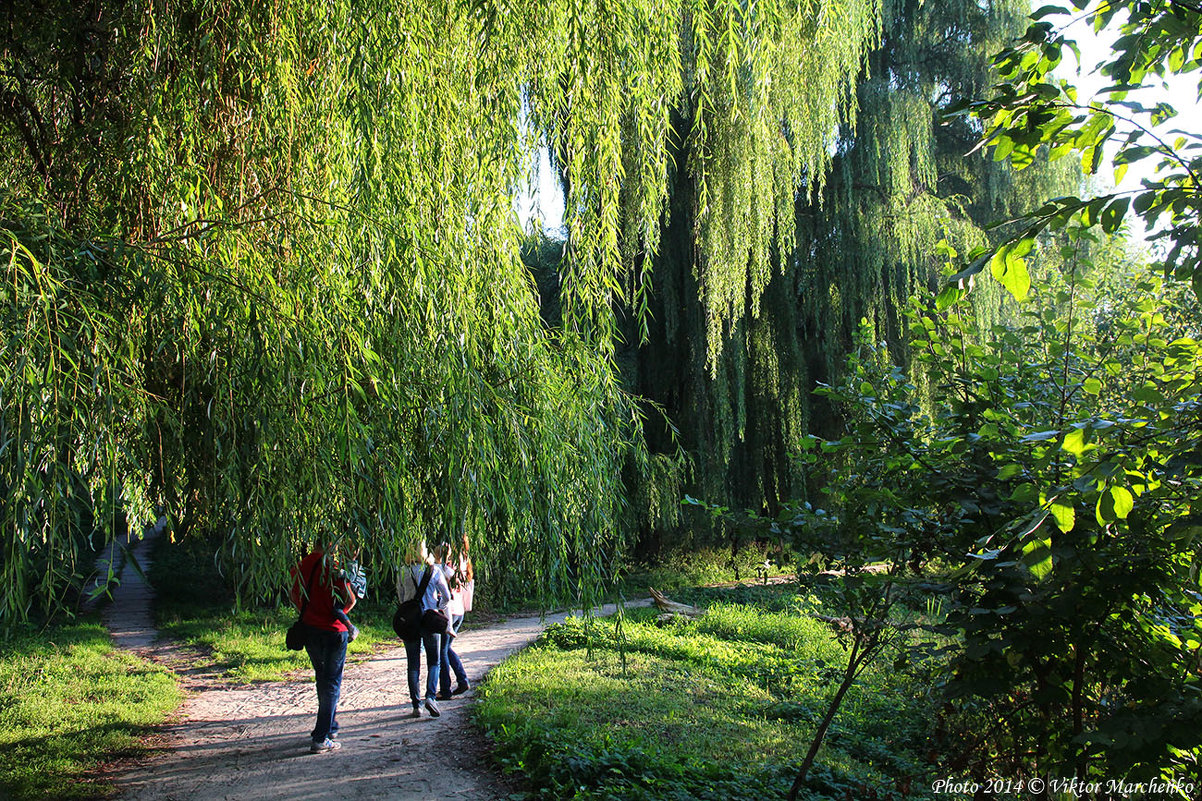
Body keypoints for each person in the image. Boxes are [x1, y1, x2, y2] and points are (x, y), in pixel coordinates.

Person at [291, 542, 355, 753]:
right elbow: (349, 599)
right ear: (330, 544)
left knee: (322, 678)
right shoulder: (333, 567)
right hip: (335, 632)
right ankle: (320, 737)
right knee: (332, 683)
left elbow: (294, 596)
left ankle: (330, 727)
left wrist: (311, 612)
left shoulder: (300, 565)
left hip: (310, 630)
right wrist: (337, 613)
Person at [396, 540, 451, 718]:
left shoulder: (403, 570)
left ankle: (415, 705)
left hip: (411, 622)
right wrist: (437, 606)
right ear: (424, 551)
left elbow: (401, 596)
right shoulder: (434, 570)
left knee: (413, 664)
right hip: (429, 619)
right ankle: (430, 697)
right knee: (433, 661)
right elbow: (447, 596)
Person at [435, 541, 470, 699]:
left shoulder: (448, 565)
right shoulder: (464, 561)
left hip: (448, 612)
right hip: (459, 611)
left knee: (442, 651)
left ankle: (446, 689)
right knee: (446, 648)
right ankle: (462, 681)